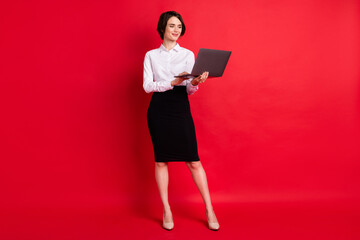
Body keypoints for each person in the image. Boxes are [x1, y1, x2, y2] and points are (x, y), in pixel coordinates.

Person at [143, 11, 220, 231]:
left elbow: (189, 90)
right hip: (158, 109)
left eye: (179, 26)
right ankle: (166, 209)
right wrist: (172, 81)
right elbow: (148, 86)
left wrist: (196, 82)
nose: (176, 30)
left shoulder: (187, 54)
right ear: (163, 28)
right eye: (172, 26)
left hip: (180, 107)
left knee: (194, 161)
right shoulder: (151, 56)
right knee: (160, 161)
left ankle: (209, 209)